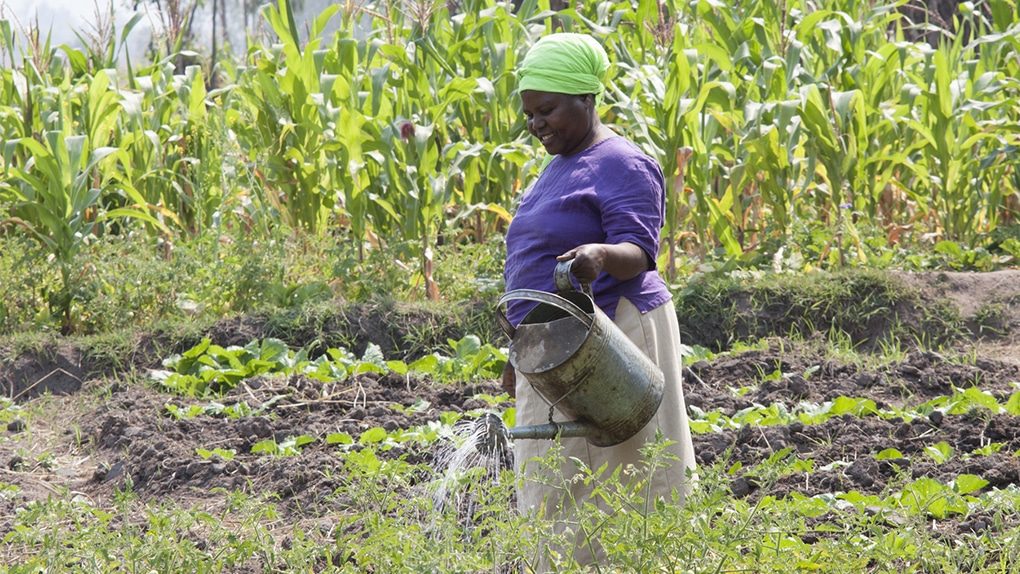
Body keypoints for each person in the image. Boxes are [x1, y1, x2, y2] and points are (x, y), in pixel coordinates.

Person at [501, 32, 697, 568]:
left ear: (587, 99)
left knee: (622, 476)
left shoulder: (621, 162)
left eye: (547, 110)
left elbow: (639, 250)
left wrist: (600, 254)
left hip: (613, 338)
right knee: (553, 475)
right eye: (530, 114)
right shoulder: (557, 165)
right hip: (555, 346)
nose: (536, 124)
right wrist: (521, 356)